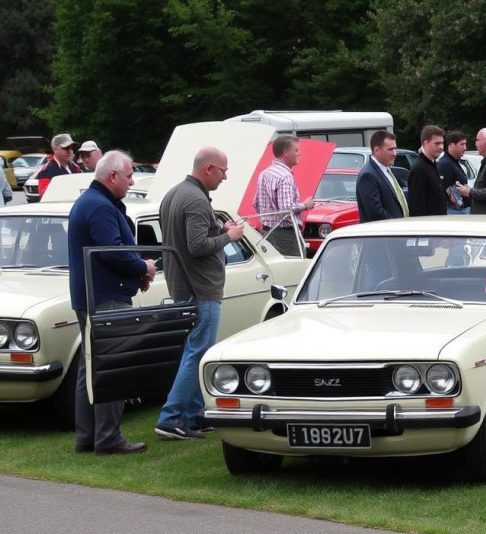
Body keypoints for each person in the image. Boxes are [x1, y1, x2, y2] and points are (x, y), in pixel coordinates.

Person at [67, 150, 155, 455]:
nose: (132, 181)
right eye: (129, 175)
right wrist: (142, 267)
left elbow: (108, 253)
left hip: (94, 295)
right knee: (111, 366)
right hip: (105, 298)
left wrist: (134, 273)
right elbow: (112, 252)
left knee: (89, 367)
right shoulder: (100, 206)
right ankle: (108, 438)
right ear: (113, 176)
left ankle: (88, 437)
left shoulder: (91, 202)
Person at [155, 147, 245, 440]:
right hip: (201, 289)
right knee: (197, 354)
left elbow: (188, 238)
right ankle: (170, 419)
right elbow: (196, 246)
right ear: (208, 169)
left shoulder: (174, 193)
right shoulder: (195, 199)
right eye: (223, 171)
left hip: (183, 286)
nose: (225, 177)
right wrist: (227, 237)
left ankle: (193, 416)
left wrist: (218, 228)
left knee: (196, 352)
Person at [253, 135, 311, 257]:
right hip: (285, 236)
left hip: (266, 232)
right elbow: (286, 210)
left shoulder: (264, 174)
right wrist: (305, 205)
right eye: (296, 150)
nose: (299, 153)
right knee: (296, 270)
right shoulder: (285, 177)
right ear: (285, 152)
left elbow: (256, 203)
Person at [356, 130, 409, 222]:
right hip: (384, 233)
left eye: (395, 149)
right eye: (390, 149)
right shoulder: (368, 175)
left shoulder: (387, 170)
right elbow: (375, 212)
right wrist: (397, 225)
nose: (394, 153)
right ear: (377, 150)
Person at [406, 125, 447, 216]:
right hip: (428, 226)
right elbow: (416, 206)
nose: (441, 147)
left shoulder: (432, 164)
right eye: (437, 143)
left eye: (442, 143)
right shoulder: (419, 169)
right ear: (425, 144)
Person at [37, 133, 82, 198]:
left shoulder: (76, 168)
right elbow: (44, 195)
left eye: (71, 148)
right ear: (55, 149)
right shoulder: (46, 170)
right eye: (66, 148)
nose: (70, 151)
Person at [437, 130, 470, 214]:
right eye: (462, 144)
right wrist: (461, 204)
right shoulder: (446, 164)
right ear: (451, 145)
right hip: (456, 212)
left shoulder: (453, 162)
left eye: (465, 144)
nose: (465, 148)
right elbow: (447, 190)